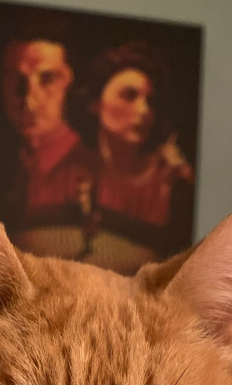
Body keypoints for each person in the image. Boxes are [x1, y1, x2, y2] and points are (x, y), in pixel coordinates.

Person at [79, 41, 195, 274]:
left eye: (149, 101)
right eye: (129, 95)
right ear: (96, 103)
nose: (144, 111)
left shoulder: (171, 181)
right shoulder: (77, 170)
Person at [0, 28, 95, 259]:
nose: (28, 99)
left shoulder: (89, 169)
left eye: (47, 79)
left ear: (70, 84)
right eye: (15, 78)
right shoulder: (2, 165)